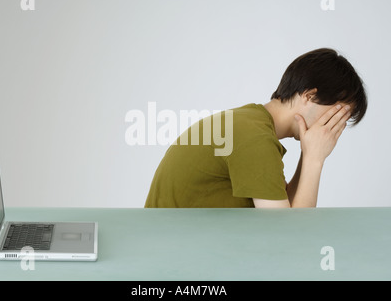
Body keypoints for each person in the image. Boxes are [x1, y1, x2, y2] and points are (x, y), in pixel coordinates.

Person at [144, 48, 368, 208]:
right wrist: (315, 160)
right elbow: (292, 237)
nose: (335, 126)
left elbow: (287, 208)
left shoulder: (253, 124)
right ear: (310, 96)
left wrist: (309, 155)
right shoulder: (253, 137)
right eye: (338, 113)